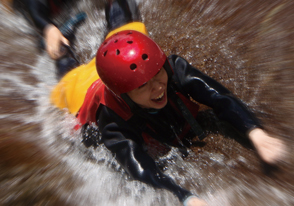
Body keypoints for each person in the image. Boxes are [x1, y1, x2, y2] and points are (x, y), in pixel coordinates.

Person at [50, 0, 286, 205]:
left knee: (126, 20)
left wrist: (257, 134)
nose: (158, 87)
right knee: (67, 73)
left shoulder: (168, 67)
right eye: (144, 86)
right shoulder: (111, 119)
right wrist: (184, 196)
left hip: (123, 61)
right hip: (83, 92)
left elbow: (219, 97)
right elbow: (138, 166)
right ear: (124, 94)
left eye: (157, 75)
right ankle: (62, 42)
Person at [11, 0, 86, 77]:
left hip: (53, 7)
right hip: (31, 11)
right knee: (58, 47)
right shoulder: (35, 4)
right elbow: (37, 16)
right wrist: (50, 30)